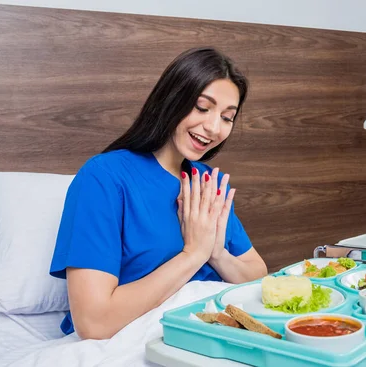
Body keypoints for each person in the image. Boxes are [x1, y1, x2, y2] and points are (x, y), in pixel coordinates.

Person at [49, 47, 268, 340]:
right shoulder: (105, 177)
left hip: (218, 331)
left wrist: (216, 255)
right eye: (202, 108)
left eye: (227, 117)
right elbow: (94, 322)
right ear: (171, 99)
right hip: (142, 339)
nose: (214, 128)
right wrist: (194, 254)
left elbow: (258, 275)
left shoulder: (208, 183)